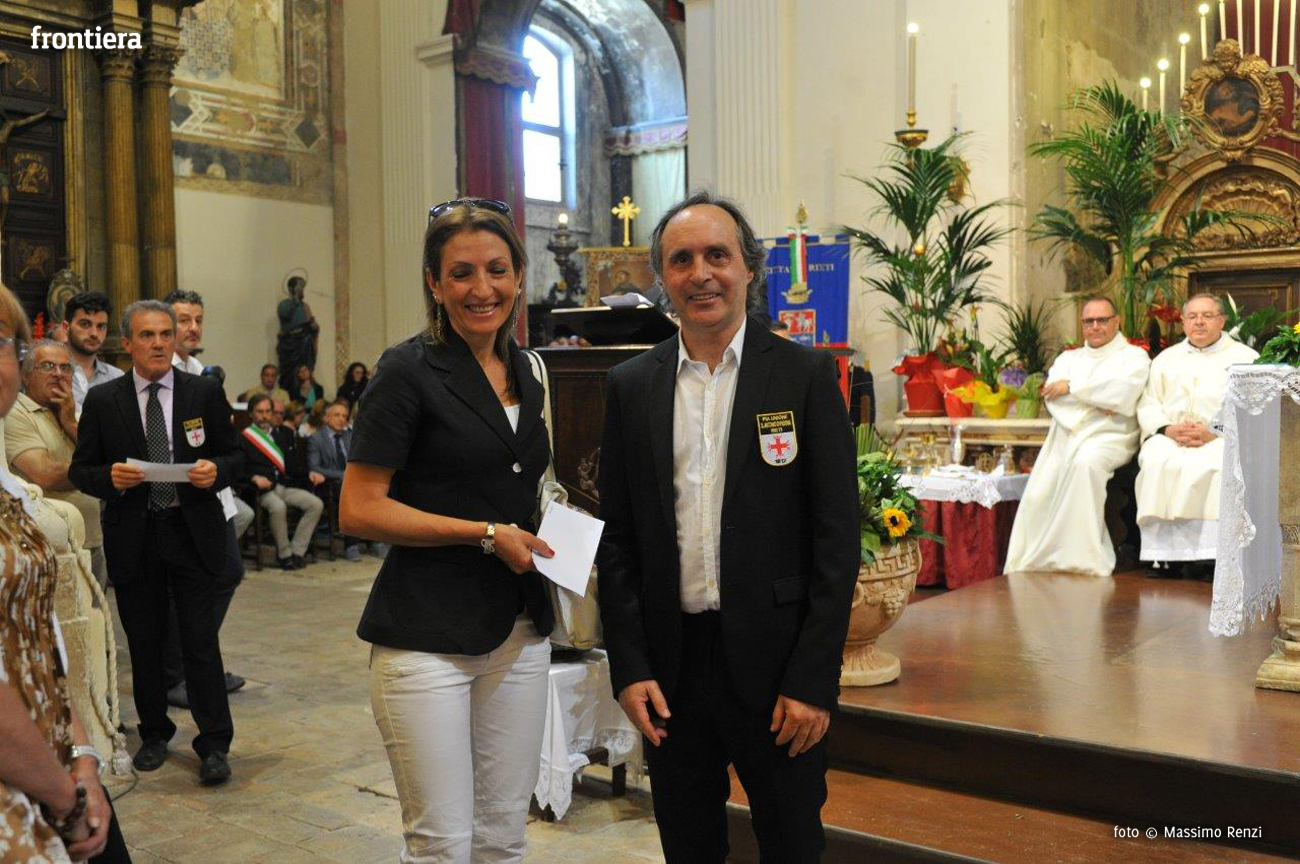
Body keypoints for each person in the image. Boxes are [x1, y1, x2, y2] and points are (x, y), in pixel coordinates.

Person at [597, 192, 859, 862]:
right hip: (672, 673)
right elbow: (618, 539)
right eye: (681, 260)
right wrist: (629, 666)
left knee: (792, 846)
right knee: (689, 849)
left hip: (778, 670)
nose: (701, 274)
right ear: (663, 278)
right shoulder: (631, 385)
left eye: (718, 255)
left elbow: (836, 541)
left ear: (749, 268)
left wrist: (812, 680)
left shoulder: (803, 376)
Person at [339, 198, 556, 862]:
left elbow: (528, 487)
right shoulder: (407, 370)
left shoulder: (530, 370)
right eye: (461, 273)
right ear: (435, 284)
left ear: (519, 276)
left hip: (518, 630)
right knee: (441, 844)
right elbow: (359, 509)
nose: (481, 288)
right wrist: (485, 533)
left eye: (497, 270)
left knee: (504, 837)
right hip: (426, 636)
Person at [69, 299, 240, 786]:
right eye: (147, 335)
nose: (160, 343)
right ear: (127, 343)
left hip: (192, 532)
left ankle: (214, 744)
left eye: (166, 334)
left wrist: (215, 470)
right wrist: (110, 478)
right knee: (145, 643)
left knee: (200, 643)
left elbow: (235, 458)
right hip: (135, 535)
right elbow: (82, 470)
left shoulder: (203, 392)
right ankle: (154, 734)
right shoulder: (104, 400)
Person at [0, 283, 132, 862]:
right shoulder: (20, 426)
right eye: (42, 363)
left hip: (54, 743)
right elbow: (61, 472)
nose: (53, 374)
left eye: (5, 344)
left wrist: (83, 756)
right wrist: (66, 799)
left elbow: (39, 637)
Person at [1004, 297, 1152, 577]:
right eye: (1089, 321)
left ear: (1116, 321)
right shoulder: (1068, 359)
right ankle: (1045, 555)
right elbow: (1053, 398)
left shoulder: (1134, 357)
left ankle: (1081, 556)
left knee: (1086, 464)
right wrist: (1099, 400)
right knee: (1039, 490)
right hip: (1068, 434)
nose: (1095, 326)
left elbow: (1123, 393)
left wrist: (1072, 388)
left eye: (1102, 320)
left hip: (1112, 435)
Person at [164, 289, 248, 710]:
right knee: (188, 588)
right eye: (184, 319)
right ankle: (178, 673)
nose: (193, 327)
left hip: (213, 494)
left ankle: (198, 663)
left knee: (227, 573)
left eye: (198, 319)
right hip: (176, 498)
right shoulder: (159, 375)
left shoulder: (202, 373)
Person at [1134, 293, 1258, 575]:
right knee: (1155, 461)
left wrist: (1215, 432)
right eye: (1192, 316)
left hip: (1222, 438)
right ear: (1183, 322)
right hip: (1172, 437)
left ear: (1222, 320)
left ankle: (1213, 557)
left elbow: (1253, 407)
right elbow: (1149, 404)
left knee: (1219, 465)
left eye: (1207, 316)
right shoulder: (1165, 359)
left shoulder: (1245, 359)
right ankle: (1163, 557)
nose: (1199, 322)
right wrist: (1168, 429)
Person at [4, 339, 109, 589]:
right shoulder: (14, 412)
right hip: (45, 545)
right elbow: (46, 474)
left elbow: (106, 460)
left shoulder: (75, 414)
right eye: (48, 366)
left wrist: (70, 423)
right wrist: (97, 473)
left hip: (92, 539)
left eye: (65, 368)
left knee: (98, 612)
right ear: (26, 375)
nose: (58, 374)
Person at [238, 394, 324, 570]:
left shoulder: (280, 435)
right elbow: (238, 470)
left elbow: (291, 467)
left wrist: (309, 473)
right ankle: (285, 555)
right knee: (278, 507)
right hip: (260, 491)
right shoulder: (243, 438)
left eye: (267, 411)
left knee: (315, 504)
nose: (264, 416)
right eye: (260, 412)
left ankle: (297, 551)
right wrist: (253, 478)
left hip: (283, 486)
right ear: (251, 414)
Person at [307, 400, 378, 562]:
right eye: (337, 415)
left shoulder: (350, 436)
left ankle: (376, 539)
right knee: (350, 492)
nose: (341, 419)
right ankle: (351, 544)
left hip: (353, 482)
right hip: (329, 485)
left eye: (344, 416)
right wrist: (343, 475)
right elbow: (315, 467)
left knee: (375, 489)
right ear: (326, 418)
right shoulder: (316, 438)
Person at [60, 291, 123, 411]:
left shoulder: (117, 377)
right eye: (85, 324)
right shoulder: (53, 373)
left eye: (101, 326)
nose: (94, 333)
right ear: (66, 327)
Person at [276, 274, 318, 394]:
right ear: (291, 288)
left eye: (302, 287)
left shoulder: (305, 307)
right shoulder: (284, 304)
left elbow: (311, 324)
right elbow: (285, 314)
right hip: (290, 344)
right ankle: (289, 392)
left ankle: (305, 392)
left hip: (304, 342)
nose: (301, 290)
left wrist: (313, 327)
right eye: (299, 286)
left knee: (305, 368)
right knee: (289, 373)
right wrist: (295, 300)